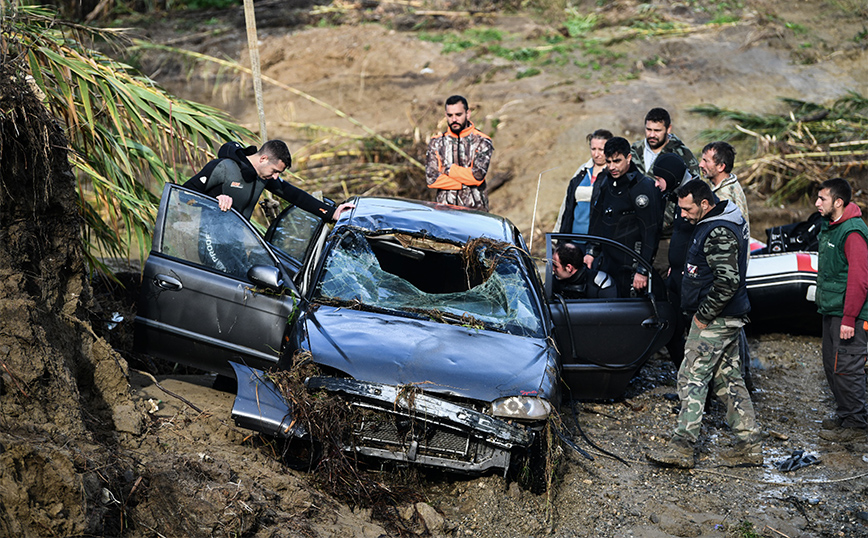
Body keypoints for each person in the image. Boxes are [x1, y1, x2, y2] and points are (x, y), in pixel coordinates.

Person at [646, 179, 761, 468]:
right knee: (729, 380)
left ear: (705, 204)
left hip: (717, 320)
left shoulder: (719, 231)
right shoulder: (714, 223)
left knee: (692, 377)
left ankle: (682, 447)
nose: (682, 215)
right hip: (725, 317)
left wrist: (703, 314)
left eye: (686, 209)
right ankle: (750, 446)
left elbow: (728, 281)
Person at [814, 177, 868, 443]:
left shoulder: (853, 232)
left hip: (850, 316)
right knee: (831, 365)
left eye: (822, 199)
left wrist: (849, 318)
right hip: (832, 310)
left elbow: (859, 279)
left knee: (847, 367)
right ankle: (846, 415)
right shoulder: (830, 226)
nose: (817, 203)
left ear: (838, 202)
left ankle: (856, 425)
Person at [184, 140, 354, 221]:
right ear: (263, 158)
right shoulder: (223, 167)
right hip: (209, 238)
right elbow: (184, 194)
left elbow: (294, 195)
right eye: (275, 171)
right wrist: (214, 200)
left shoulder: (263, 177)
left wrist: (332, 212)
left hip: (235, 239)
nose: (275, 177)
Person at [583, 137, 661, 297]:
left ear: (629, 158)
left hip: (631, 264)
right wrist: (591, 250)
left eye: (617, 161)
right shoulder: (606, 181)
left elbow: (650, 232)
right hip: (608, 261)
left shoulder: (643, 187)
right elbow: (597, 218)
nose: (612, 167)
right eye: (609, 161)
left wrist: (642, 269)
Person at [651, 153, 694, 367]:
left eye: (659, 179)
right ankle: (685, 386)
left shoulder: (694, 198)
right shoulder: (675, 196)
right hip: (676, 275)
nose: (657, 185)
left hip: (690, 280)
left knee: (686, 332)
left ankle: (702, 395)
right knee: (674, 331)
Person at [425, 95, 494, 211]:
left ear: (468, 114)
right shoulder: (436, 142)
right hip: (444, 213)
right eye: (450, 115)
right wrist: (463, 184)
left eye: (458, 115)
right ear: (445, 115)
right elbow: (431, 179)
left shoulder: (482, 141)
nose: (454, 119)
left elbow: (476, 177)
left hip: (475, 213)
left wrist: (448, 170)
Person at [553, 129, 613, 235]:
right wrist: (557, 234)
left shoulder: (613, 174)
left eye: (601, 149)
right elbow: (566, 205)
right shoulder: (582, 171)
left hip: (599, 241)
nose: (596, 154)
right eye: (593, 149)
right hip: (574, 239)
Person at [630, 107, 700, 179]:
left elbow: (694, 185)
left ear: (668, 129)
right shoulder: (634, 151)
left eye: (657, 130)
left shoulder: (683, 155)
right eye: (649, 129)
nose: (652, 135)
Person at [700, 141, 750, 240]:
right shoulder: (731, 185)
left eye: (706, 161)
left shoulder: (724, 197)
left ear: (721, 166)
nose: (701, 165)